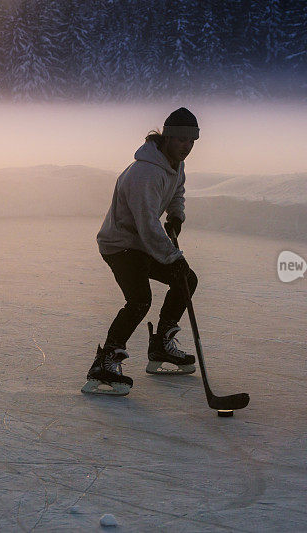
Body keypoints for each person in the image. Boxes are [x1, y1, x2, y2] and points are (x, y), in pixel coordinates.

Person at [82, 107, 200, 396]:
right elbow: (147, 225)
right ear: (167, 137)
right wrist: (173, 257)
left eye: (192, 140)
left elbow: (177, 191)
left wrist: (176, 216)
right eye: (181, 139)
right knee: (139, 300)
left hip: (139, 243)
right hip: (120, 244)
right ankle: (105, 363)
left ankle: (160, 346)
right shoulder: (146, 172)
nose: (187, 146)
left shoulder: (174, 164)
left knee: (187, 280)